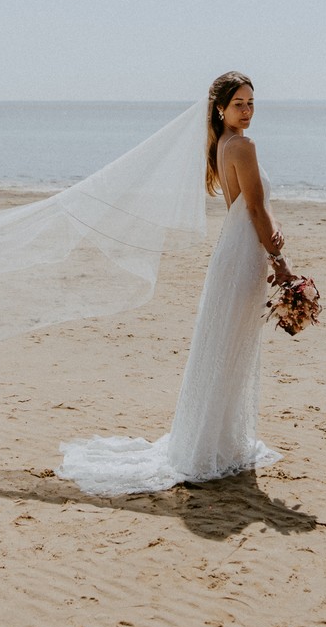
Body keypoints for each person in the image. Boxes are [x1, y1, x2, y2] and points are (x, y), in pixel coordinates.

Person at [58, 71, 292, 495]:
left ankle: (217, 441)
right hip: (245, 254)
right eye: (239, 103)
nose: (247, 110)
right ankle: (215, 445)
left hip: (235, 250)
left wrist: (271, 239)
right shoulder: (243, 145)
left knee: (226, 344)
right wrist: (280, 263)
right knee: (231, 345)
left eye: (252, 103)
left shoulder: (222, 145)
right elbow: (256, 209)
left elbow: (249, 207)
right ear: (221, 108)